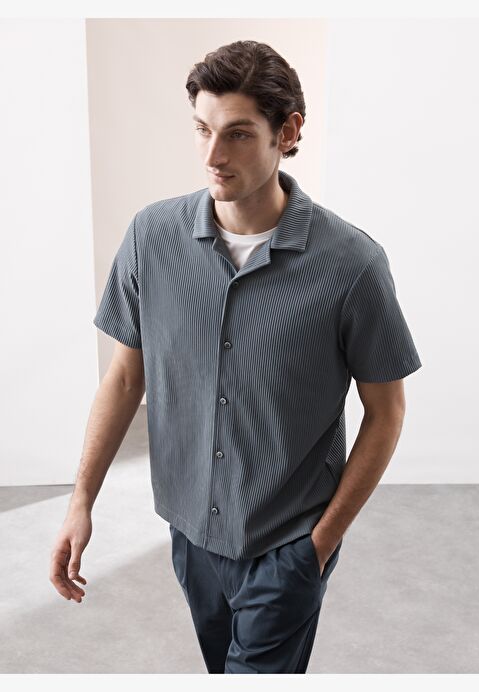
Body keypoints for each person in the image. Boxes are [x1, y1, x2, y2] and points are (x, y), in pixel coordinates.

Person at [49, 39, 422, 674]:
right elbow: (125, 377)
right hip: (190, 534)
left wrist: (319, 545)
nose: (213, 156)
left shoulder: (353, 264)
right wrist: (81, 500)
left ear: (288, 132)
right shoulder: (150, 237)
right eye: (203, 129)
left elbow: (386, 412)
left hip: (288, 544)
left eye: (239, 134)